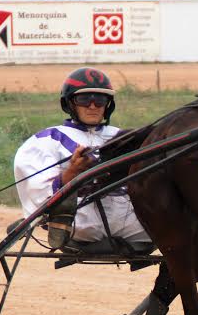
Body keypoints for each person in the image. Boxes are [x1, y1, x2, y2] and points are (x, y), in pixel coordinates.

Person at [13, 67, 150, 247]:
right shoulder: (48, 139)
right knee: (83, 225)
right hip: (80, 222)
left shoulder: (122, 137)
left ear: (107, 104)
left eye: (100, 100)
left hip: (130, 222)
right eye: (84, 99)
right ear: (70, 103)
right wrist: (72, 173)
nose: (92, 106)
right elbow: (39, 193)